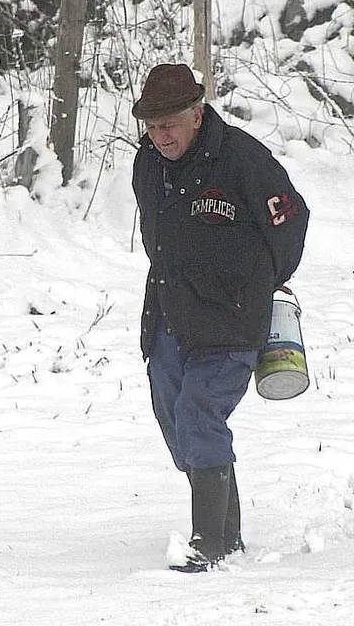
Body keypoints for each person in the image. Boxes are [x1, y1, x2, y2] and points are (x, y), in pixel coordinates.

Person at [130, 64, 309, 572]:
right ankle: (226, 533)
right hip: (168, 311)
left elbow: (291, 220)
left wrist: (263, 281)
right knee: (176, 424)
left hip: (230, 317)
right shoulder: (147, 162)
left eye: (169, 124)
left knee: (198, 411)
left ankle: (206, 542)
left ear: (197, 113)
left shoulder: (243, 159)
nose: (160, 135)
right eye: (151, 124)